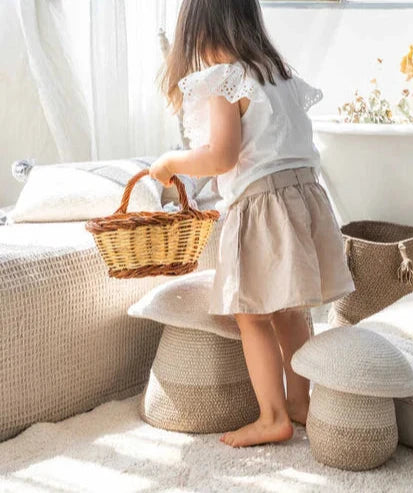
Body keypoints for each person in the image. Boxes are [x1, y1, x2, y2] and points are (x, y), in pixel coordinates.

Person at [149, 0, 355, 448]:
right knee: (289, 308)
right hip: (303, 198)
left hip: (262, 204)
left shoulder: (227, 78)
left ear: (198, 30)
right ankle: (301, 402)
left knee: (251, 312)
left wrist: (171, 162)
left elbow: (221, 155)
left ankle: (272, 415)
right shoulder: (278, 75)